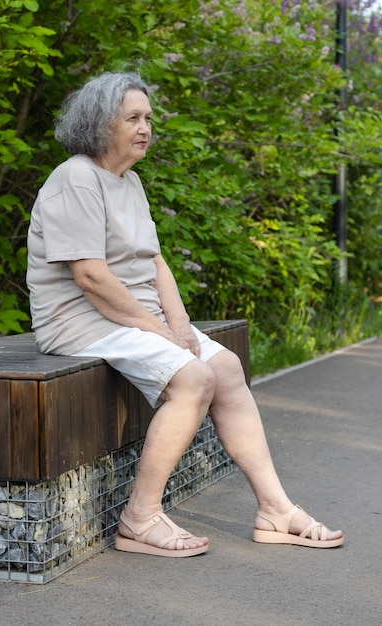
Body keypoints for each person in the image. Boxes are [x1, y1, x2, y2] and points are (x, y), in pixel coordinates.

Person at [26, 70, 344, 557]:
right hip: (80, 321)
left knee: (226, 368)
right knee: (193, 379)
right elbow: (90, 277)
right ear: (99, 124)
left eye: (148, 118)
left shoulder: (128, 181)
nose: (145, 127)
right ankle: (139, 518)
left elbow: (155, 263)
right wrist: (159, 330)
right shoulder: (76, 178)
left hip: (128, 317)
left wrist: (177, 324)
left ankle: (275, 508)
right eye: (132, 118)